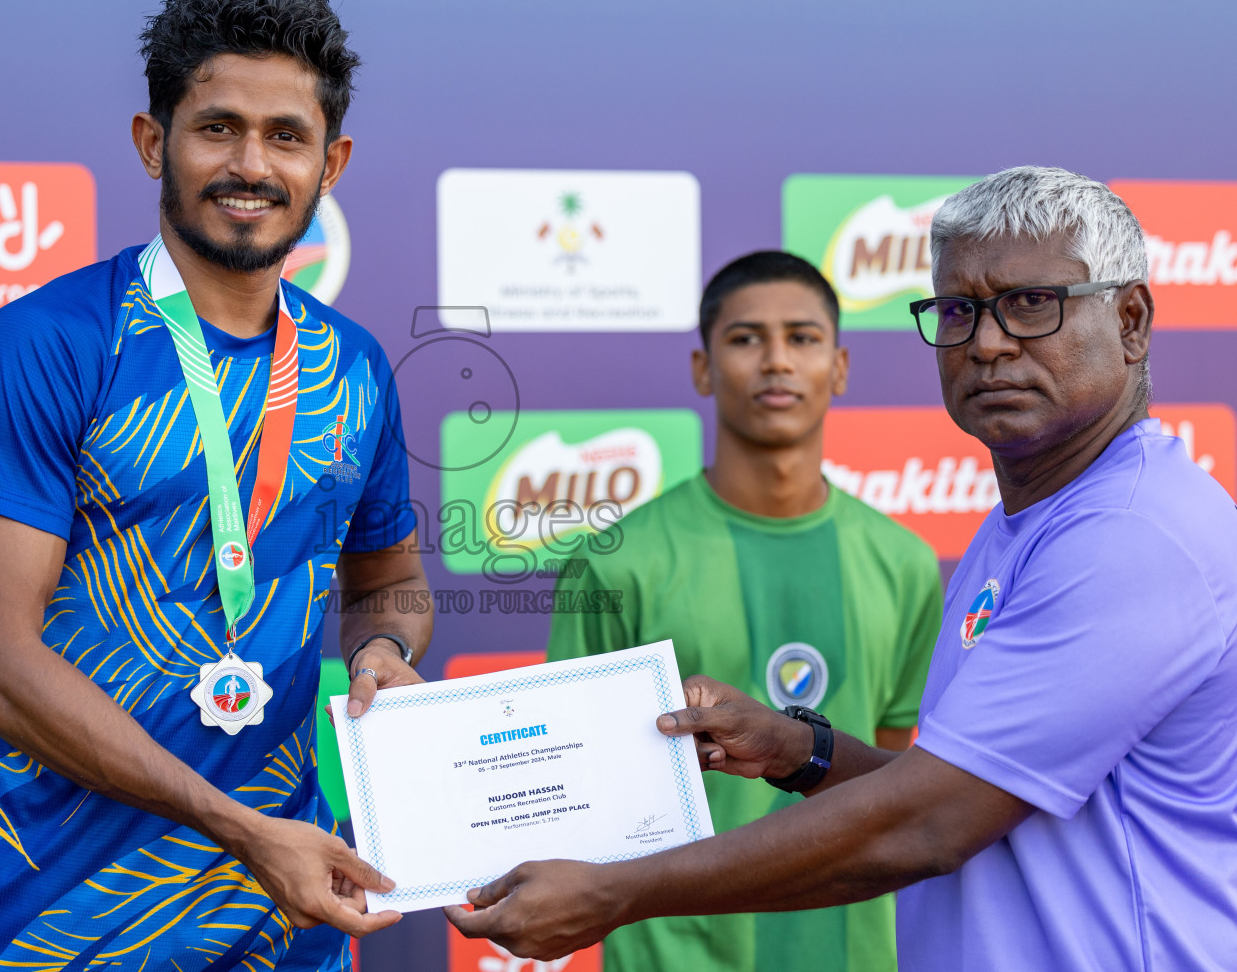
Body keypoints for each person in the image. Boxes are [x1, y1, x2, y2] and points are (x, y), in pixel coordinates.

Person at [448, 167, 1237, 970]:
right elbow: (969, 787)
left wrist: (619, 892)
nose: (989, 342)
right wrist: (801, 750)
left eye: (1032, 303)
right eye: (960, 311)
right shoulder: (1025, 527)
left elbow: (928, 822)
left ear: (1131, 320)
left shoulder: (1134, 538)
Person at [0, 0, 429, 972]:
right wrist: (244, 828)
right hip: (55, 926)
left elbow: (390, 585)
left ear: (330, 161)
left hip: (285, 924)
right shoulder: (50, 344)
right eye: (218, 128)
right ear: (153, 142)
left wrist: (382, 654)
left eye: (286, 136)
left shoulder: (356, 365)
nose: (251, 164)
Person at [547, 250, 943, 972]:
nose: (775, 361)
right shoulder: (615, 561)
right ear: (703, 369)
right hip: (675, 955)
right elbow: (577, 784)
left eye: (802, 337)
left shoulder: (907, 562)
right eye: (744, 338)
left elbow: (892, 782)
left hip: (858, 953)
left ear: (841, 366)